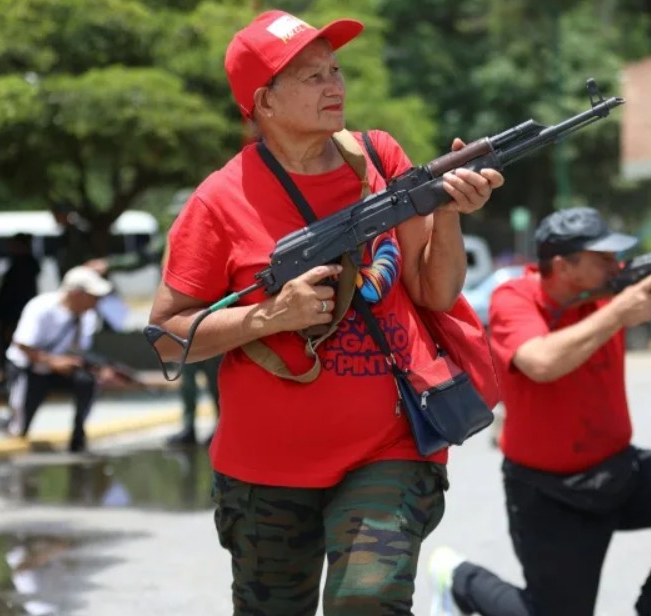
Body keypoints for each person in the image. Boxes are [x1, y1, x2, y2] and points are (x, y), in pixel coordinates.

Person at [146, 10, 504, 615]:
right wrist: (268, 318)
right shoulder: (218, 200)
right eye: (311, 76)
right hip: (264, 471)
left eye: (335, 70)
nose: (334, 85)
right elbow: (166, 336)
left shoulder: (378, 157)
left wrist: (449, 213)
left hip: (389, 445)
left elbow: (433, 292)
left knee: (369, 602)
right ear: (263, 101)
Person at [427, 207, 651, 616]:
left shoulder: (612, 284)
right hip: (548, 493)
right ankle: (459, 579)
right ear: (563, 266)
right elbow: (541, 363)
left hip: (617, 472)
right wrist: (618, 313)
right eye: (603, 258)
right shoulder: (514, 297)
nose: (616, 265)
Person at [86, 235, 222, 447]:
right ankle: (189, 428)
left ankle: (220, 429)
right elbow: (141, 258)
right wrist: (109, 264)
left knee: (216, 380)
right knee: (187, 380)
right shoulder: (176, 237)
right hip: (182, 316)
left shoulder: (215, 237)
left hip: (211, 315)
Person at [5, 266, 118, 452]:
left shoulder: (87, 316)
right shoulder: (42, 307)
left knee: (86, 382)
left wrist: (99, 368)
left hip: (60, 368)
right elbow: (22, 344)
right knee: (19, 426)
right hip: (30, 367)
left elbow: (78, 350)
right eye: (93, 296)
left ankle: (78, 436)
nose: (97, 301)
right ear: (75, 293)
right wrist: (52, 362)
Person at [0, 233, 41, 372]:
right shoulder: (20, 263)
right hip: (11, 314)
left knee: (11, 348)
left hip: (13, 315)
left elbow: (17, 294)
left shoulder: (24, 265)